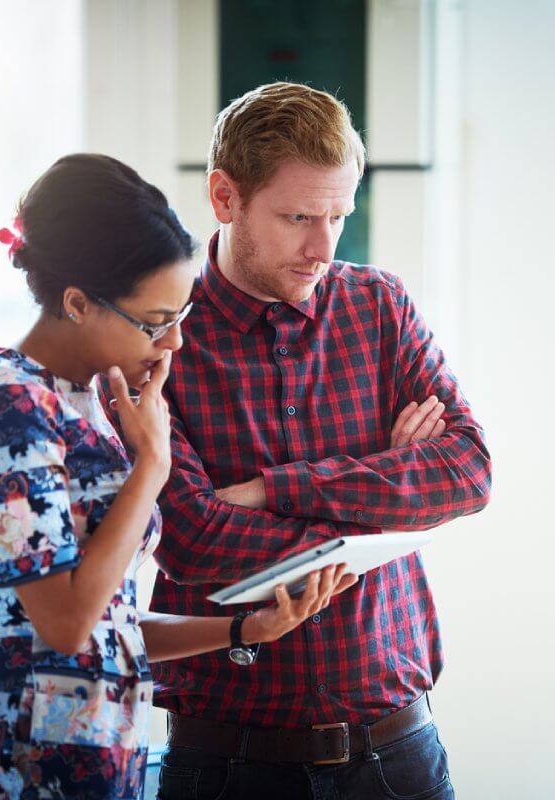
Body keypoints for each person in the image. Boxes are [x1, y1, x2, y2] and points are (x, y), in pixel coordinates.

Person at [0, 154, 356, 800]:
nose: (173, 345)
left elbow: (108, 623)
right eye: (156, 322)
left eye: (181, 318)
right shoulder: (5, 404)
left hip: (102, 758)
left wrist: (241, 631)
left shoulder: (87, 395)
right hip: (26, 765)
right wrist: (153, 466)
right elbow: (64, 625)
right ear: (79, 303)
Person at [144, 83, 492, 799]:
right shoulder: (163, 334)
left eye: (338, 215)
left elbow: (468, 472)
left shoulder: (379, 305)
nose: (322, 247)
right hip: (225, 762)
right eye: (298, 216)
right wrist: (389, 488)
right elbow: (189, 540)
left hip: (399, 753)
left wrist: (278, 489)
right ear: (225, 197)